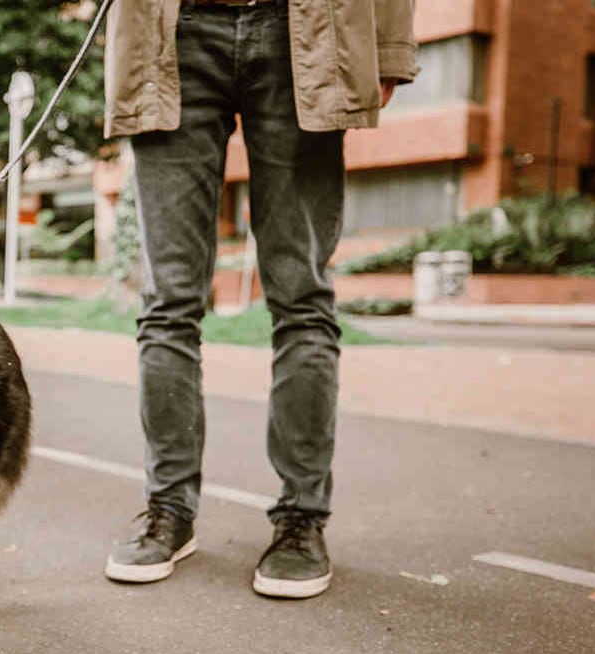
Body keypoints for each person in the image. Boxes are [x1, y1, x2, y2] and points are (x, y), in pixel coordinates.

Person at [101, 0, 417, 597]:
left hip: (304, 27)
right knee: (168, 303)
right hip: (167, 31)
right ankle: (168, 510)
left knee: (301, 299)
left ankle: (302, 519)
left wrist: (389, 49)